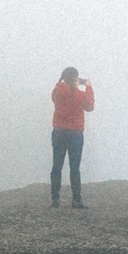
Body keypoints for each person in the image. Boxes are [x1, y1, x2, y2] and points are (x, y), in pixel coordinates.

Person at [50, 67, 95, 208]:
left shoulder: (58, 91)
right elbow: (90, 106)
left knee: (57, 165)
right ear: (75, 78)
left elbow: (54, 95)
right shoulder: (80, 95)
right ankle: (76, 200)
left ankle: (55, 200)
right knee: (74, 167)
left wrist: (64, 82)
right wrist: (88, 87)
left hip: (59, 132)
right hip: (75, 133)